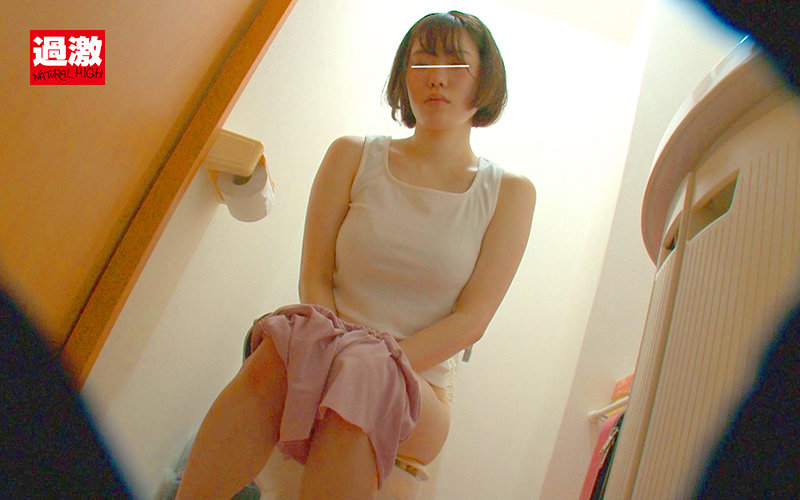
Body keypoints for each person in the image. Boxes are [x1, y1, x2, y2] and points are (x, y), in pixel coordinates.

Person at [176, 11, 536, 499]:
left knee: (365, 373)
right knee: (284, 335)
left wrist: (372, 358)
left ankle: (358, 365)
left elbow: (472, 321)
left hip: (418, 387)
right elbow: (315, 277)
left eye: (456, 64)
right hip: (321, 347)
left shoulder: (509, 193)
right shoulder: (351, 155)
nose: (436, 76)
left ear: (485, 80)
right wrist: (334, 352)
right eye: (421, 61)